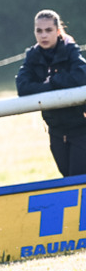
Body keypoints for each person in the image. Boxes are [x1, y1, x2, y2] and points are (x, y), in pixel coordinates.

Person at [15, 10, 86, 177]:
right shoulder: (32, 55)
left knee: (77, 179)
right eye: (39, 31)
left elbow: (81, 77)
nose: (43, 35)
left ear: (58, 31)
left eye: (48, 30)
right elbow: (23, 87)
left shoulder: (71, 51)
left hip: (80, 128)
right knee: (66, 178)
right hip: (55, 130)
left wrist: (52, 82)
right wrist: (55, 86)